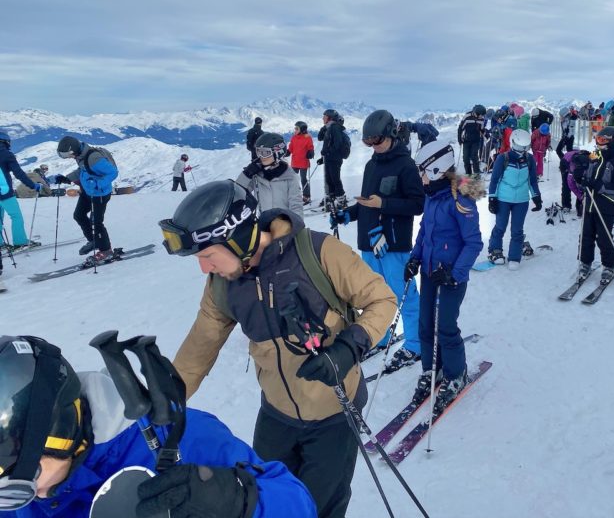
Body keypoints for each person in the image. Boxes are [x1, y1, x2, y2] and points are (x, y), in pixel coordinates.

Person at [159, 180, 395, 518]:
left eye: (208, 255)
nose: (204, 268)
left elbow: (382, 300)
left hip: (334, 416)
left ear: (237, 237)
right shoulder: (223, 286)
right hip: (276, 416)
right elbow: (200, 346)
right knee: (267, 505)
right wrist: (165, 402)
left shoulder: (319, 253)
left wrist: (348, 347)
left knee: (317, 510)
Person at [0, 334, 316, 517]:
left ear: (62, 436)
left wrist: (237, 501)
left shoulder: (181, 440)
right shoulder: (18, 478)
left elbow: (297, 505)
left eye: (21, 485)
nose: (28, 499)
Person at [331, 110, 425, 371]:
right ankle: (381, 336)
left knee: (403, 294)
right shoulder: (371, 165)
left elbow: (418, 204)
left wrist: (384, 203)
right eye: (368, 142)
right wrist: (346, 215)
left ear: (392, 135)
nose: (373, 146)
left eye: (377, 140)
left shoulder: (405, 166)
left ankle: (416, 343)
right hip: (369, 244)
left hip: (393, 244)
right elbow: (366, 204)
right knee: (374, 295)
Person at [405, 140, 484, 412]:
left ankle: (455, 373)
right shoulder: (431, 196)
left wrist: (455, 273)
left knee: (446, 327)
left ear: (438, 169)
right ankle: (431, 369)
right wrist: (415, 257)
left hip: (451, 278)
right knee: (426, 325)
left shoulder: (459, 200)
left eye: (423, 170)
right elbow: (425, 232)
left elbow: (474, 243)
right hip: (429, 274)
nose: (421, 176)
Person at [54, 137, 118, 260]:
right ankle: (93, 240)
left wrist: (98, 184)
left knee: (96, 222)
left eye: (67, 154)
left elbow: (113, 172)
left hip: (99, 194)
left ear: (73, 150)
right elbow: (83, 170)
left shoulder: (94, 158)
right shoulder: (80, 155)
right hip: (88, 191)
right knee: (79, 215)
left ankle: (106, 251)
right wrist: (66, 178)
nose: (68, 157)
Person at [486, 130, 543, 268]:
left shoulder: (529, 159)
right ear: (512, 143)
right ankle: (495, 250)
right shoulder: (503, 158)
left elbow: (532, 181)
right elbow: (494, 180)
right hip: (503, 199)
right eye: (519, 147)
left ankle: (514, 257)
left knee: (517, 229)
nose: (522, 151)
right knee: (500, 226)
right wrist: (492, 198)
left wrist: (536, 197)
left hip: (522, 200)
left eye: (525, 147)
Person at [577, 127, 614, 282]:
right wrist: (582, 179)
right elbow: (587, 177)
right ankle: (585, 262)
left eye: (604, 140)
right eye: (598, 139)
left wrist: (600, 187)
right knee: (586, 235)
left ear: (613, 143)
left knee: (604, 237)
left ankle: (609, 265)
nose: (599, 143)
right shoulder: (595, 158)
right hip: (590, 204)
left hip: (606, 206)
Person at [238, 133, 303, 216]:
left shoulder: (290, 177)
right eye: (259, 152)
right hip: (263, 223)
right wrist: (247, 174)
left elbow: (296, 205)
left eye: (265, 153)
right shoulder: (256, 174)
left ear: (278, 153)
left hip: (282, 224)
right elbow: (238, 193)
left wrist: (293, 226)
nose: (261, 156)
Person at [0, 131, 42, 249]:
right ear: (6, 142)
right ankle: (20, 242)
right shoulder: (7, 154)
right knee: (16, 216)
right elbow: (19, 174)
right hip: (5, 193)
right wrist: (33, 186)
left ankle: (0, 245)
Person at [316, 109, 349, 207]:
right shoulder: (329, 127)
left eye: (325, 116)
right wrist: (324, 157)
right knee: (329, 179)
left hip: (335, 158)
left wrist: (327, 152)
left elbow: (337, 144)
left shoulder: (335, 127)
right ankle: (332, 197)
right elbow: (320, 137)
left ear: (329, 118)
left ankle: (341, 199)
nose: (323, 118)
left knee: (335, 179)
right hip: (329, 158)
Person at [287, 121, 315, 204]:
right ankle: (294, 196)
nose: (295, 130)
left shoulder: (307, 137)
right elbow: (291, 147)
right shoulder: (294, 137)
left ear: (302, 129)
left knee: (303, 179)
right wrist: (287, 152)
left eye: (297, 128)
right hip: (295, 161)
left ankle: (306, 196)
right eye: (295, 128)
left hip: (303, 161)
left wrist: (311, 152)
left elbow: (310, 147)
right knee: (293, 179)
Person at [458, 104, 485, 175]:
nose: (482, 117)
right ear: (476, 113)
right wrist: (459, 139)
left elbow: (482, 129)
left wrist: (485, 134)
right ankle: (468, 173)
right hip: (466, 140)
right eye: (481, 115)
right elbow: (460, 128)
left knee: (474, 156)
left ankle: (476, 173)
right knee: (465, 158)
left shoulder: (481, 119)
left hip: (476, 140)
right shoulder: (467, 117)